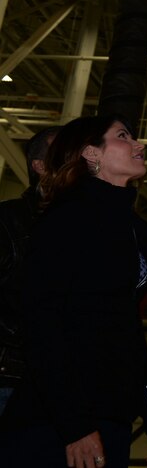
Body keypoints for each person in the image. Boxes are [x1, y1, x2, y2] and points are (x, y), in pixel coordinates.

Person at [0, 115, 147, 468]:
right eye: (124, 136)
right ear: (92, 153)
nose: (138, 144)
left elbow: (127, 328)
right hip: (57, 423)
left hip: (110, 417)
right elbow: (42, 323)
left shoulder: (135, 228)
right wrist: (74, 425)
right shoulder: (67, 220)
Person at [0, 125, 59, 415]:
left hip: (59, 387)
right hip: (10, 379)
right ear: (40, 166)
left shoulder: (88, 228)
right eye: (65, 151)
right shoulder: (7, 221)